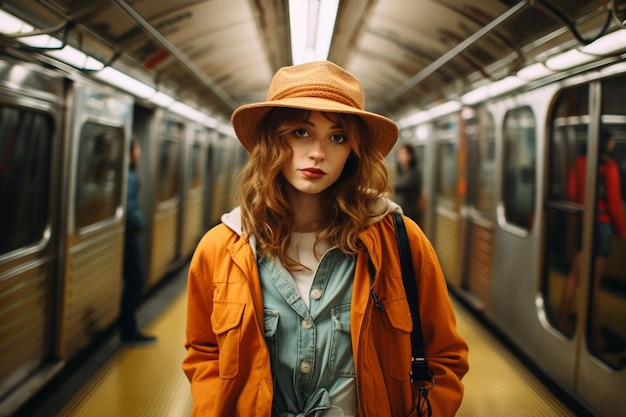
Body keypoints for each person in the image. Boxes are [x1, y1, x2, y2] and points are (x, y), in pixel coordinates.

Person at [182, 61, 468, 417]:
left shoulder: (400, 243)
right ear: (274, 140)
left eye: (337, 137)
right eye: (301, 132)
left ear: (353, 151)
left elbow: (445, 357)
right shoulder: (221, 248)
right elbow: (205, 353)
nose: (318, 153)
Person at [558, 129, 625, 350]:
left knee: (575, 275)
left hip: (583, 223)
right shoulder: (609, 166)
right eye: (612, 142)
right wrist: (622, 231)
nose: (614, 146)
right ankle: (595, 336)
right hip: (603, 224)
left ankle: (562, 320)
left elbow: (571, 191)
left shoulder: (580, 161)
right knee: (594, 284)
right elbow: (614, 203)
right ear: (605, 144)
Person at [120, 138, 157, 346]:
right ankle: (129, 331)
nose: (139, 153)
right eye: (137, 149)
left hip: (124, 235)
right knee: (136, 281)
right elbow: (130, 209)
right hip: (128, 235)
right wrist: (140, 222)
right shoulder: (130, 177)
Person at [394, 143, 423, 225]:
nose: (400, 156)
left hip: (409, 215)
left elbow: (397, 186)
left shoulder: (414, 173)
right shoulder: (402, 172)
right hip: (401, 214)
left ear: (410, 156)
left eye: (403, 153)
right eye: (399, 154)